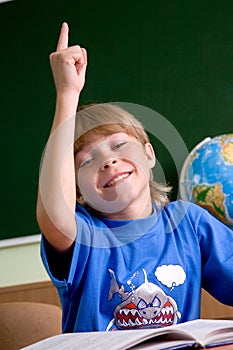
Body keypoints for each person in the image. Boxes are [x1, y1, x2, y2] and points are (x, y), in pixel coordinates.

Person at [36, 22, 233, 333]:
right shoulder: (85, 235)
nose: (108, 160)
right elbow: (55, 215)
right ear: (76, 190)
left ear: (149, 154)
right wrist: (67, 94)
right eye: (87, 160)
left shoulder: (189, 224)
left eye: (118, 145)